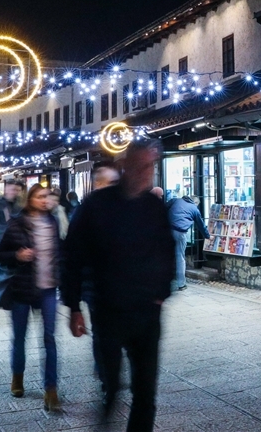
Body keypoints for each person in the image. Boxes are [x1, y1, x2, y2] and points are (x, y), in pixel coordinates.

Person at [62, 138, 174, 431]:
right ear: (125, 166)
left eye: (150, 166)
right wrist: (73, 306)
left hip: (147, 311)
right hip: (108, 309)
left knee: (145, 390)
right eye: (140, 165)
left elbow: (166, 250)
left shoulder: (154, 205)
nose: (145, 172)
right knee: (110, 385)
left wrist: (161, 293)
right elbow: (72, 256)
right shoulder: (96, 205)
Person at [0, 184, 62, 412]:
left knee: (50, 339)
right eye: (40, 196)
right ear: (30, 199)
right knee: (20, 337)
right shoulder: (16, 223)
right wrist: (17, 255)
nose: (45, 200)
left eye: (48, 196)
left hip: (48, 290)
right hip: (21, 290)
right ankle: (17, 376)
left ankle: (51, 389)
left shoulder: (52, 222)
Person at [166, 191, 210, 291]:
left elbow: (164, 208)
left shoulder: (176, 200)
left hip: (167, 230)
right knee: (180, 257)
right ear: (196, 203)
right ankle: (181, 284)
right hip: (180, 232)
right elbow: (201, 225)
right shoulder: (194, 208)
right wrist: (207, 236)